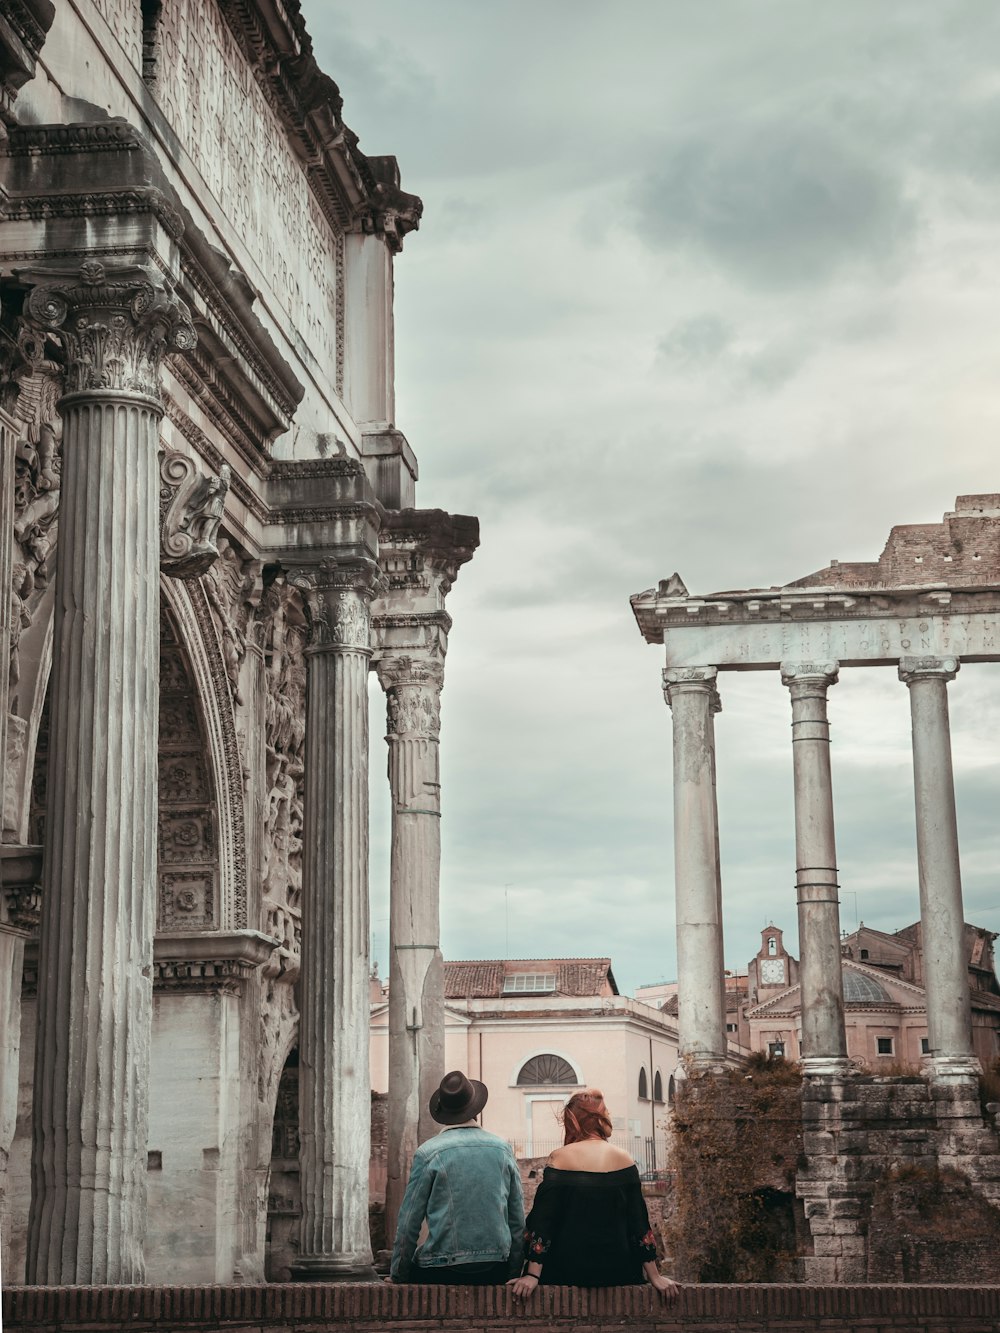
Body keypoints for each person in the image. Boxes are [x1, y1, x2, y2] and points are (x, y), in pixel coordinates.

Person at [508, 1088, 680, 1299]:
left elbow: (544, 1221)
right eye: (605, 1110)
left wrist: (533, 1275)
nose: (609, 1116)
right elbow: (638, 1223)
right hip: (619, 1272)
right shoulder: (624, 1159)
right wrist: (655, 1276)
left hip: (565, 1271)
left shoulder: (560, 1158)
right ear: (596, 1119)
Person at [390, 1070, 525, 1284]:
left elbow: (409, 1222)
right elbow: (517, 1220)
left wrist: (399, 1275)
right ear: (476, 1111)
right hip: (495, 1266)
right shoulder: (503, 1150)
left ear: (444, 1113)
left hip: (442, 1268)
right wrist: (513, 1273)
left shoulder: (428, 1153)